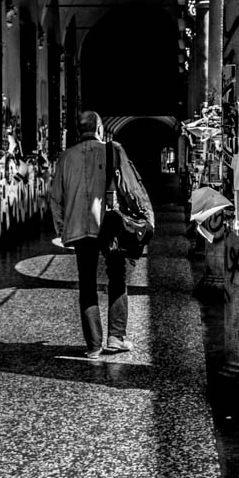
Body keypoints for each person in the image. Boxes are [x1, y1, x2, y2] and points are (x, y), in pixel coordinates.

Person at [50, 111, 153, 360]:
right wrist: (146, 216)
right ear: (99, 129)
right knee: (117, 277)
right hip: (109, 226)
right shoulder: (113, 150)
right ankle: (115, 338)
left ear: (78, 131)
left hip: (79, 228)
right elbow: (130, 187)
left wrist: (63, 229)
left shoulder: (65, 157)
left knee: (87, 283)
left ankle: (93, 345)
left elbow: (55, 198)